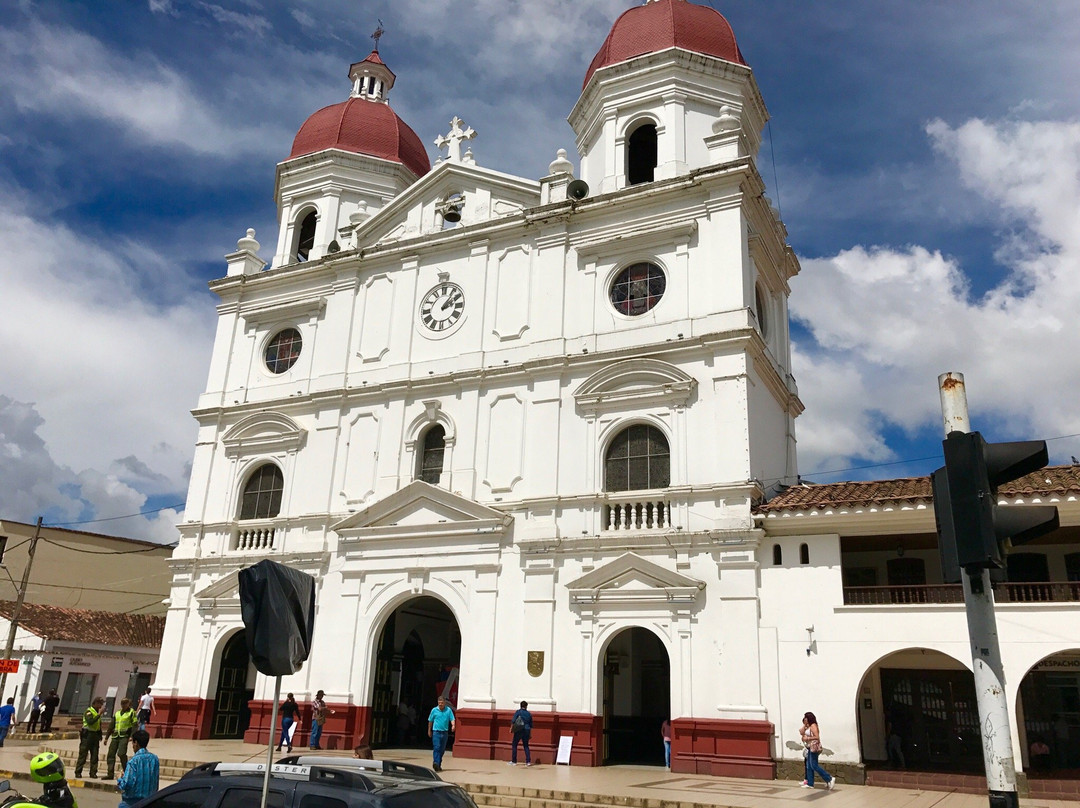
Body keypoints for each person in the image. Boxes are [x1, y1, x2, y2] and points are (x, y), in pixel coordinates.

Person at [117, 729, 159, 808]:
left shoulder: (133, 761)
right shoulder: (154, 759)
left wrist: (119, 779)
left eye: (133, 742)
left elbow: (126, 784)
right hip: (150, 800)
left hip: (132, 802)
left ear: (136, 743)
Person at [104, 698, 138, 779]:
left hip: (124, 736)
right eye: (122, 703)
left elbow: (134, 725)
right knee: (111, 754)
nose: (123, 705)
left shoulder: (131, 713)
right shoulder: (117, 713)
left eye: (125, 703)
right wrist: (106, 737)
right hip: (115, 736)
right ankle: (110, 774)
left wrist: (132, 736)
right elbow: (111, 725)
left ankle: (126, 771)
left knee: (121, 753)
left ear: (128, 704)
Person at [800, 712, 835, 790]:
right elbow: (801, 731)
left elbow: (817, 737)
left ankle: (829, 778)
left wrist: (808, 738)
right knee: (809, 766)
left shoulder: (813, 726)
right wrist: (804, 725)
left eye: (805, 717)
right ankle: (810, 783)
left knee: (814, 765)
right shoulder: (808, 726)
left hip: (814, 747)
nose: (804, 719)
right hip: (809, 747)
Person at [75, 697, 106, 780]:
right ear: (95, 703)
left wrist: (100, 735)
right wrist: (99, 715)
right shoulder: (89, 711)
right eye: (99, 703)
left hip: (95, 735)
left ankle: (93, 772)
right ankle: (78, 772)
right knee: (83, 754)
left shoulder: (97, 712)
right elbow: (90, 722)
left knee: (95, 755)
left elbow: (98, 725)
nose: (100, 706)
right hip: (87, 735)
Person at [427, 695, 455, 772]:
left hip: (445, 733)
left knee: (442, 750)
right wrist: (429, 730)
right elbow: (430, 721)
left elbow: (452, 718)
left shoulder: (448, 710)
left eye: (442, 703)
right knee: (437, 747)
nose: (440, 704)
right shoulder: (434, 710)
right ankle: (436, 762)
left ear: (445, 703)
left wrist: (453, 725)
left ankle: (438, 764)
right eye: (439, 703)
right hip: (436, 732)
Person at [509, 701, 533, 767]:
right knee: (526, 745)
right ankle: (528, 761)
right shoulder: (529, 714)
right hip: (527, 730)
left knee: (514, 744)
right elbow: (531, 725)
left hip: (519, 730)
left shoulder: (518, 712)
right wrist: (530, 734)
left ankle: (514, 761)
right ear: (526, 706)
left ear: (520, 705)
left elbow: (513, 721)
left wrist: (511, 729)